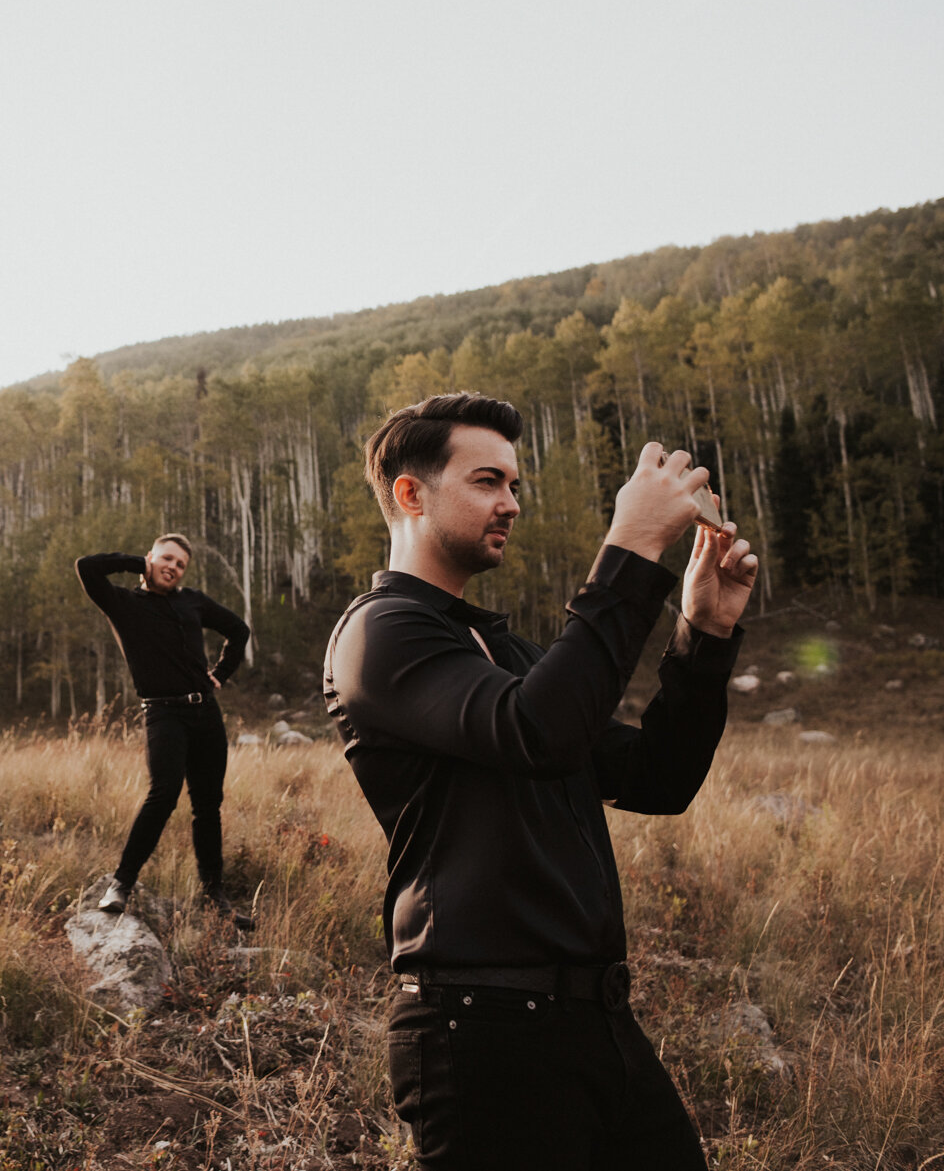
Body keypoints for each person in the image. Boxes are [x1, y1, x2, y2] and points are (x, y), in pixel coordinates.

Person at [323, 392, 757, 1170]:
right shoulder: (378, 634)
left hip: (598, 1023)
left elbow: (657, 777)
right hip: (479, 1036)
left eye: (516, 485)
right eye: (489, 480)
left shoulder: (507, 652)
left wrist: (705, 635)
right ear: (410, 493)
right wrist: (630, 541)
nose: (511, 503)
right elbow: (538, 730)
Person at [77, 534, 255, 930]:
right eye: (167, 559)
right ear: (151, 559)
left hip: (205, 713)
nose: (173, 568)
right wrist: (132, 562)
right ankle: (121, 884)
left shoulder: (192, 600)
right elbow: (86, 566)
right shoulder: (122, 603)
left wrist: (221, 674)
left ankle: (215, 897)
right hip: (163, 716)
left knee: (208, 805)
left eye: (180, 565)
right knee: (162, 795)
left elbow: (238, 631)